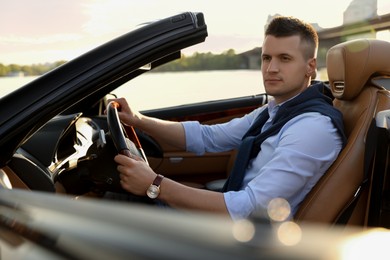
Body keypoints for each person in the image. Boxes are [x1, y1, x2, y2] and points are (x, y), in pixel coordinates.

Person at [109, 16, 346, 221]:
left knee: (110, 208)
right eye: (266, 58)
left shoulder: (312, 127)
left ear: (310, 67)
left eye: (284, 58)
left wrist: (155, 184)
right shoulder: (274, 112)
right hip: (228, 224)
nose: (271, 68)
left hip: (243, 241)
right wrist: (138, 120)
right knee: (114, 200)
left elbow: (248, 210)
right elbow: (208, 137)